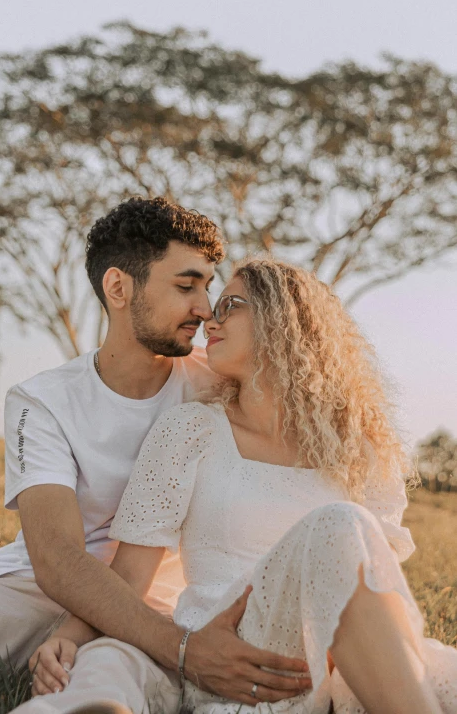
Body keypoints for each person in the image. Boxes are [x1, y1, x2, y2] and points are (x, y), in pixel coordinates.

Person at [25, 257, 457, 714]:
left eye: (230, 304)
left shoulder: (359, 451)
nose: (210, 318)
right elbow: (130, 576)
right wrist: (67, 637)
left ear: (282, 321)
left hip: (337, 668)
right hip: (235, 655)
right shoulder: (190, 431)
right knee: (339, 523)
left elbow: (374, 591)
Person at [0, 199, 308, 709]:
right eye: (185, 286)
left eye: (207, 287)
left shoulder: (219, 384)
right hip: (29, 597)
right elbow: (59, 560)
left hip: (158, 608)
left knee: (109, 684)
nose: (204, 308)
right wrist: (187, 653)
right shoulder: (42, 400)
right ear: (118, 288)